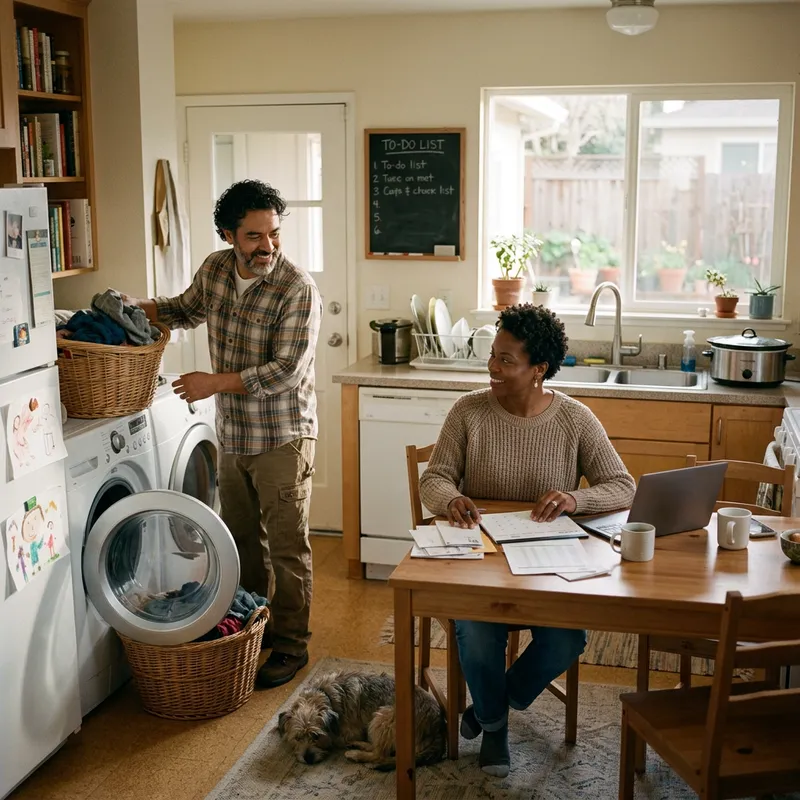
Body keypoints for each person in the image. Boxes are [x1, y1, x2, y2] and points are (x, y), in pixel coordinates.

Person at [419, 303, 635, 777]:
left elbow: (622, 485)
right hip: (479, 554)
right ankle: (495, 730)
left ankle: (487, 708)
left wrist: (575, 500)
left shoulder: (575, 418)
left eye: (506, 360)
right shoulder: (468, 411)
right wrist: (451, 497)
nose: (492, 367)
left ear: (539, 369)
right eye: (492, 356)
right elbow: (433, 478)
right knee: (476, 632)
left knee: (566, 638)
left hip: (549, 561)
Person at [124, 180, 322, 689]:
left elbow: (285, 373)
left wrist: (212, 384)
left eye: (274, 234)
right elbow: (183, 310)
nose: (268, 247)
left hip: (283, 435)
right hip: (234, 434)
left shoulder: (296, 288)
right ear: (228, 234)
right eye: (255, 236)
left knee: (286, 546)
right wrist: (131, 307)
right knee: (240, 542)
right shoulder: (215, 268)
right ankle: (253, 626)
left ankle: (292, 646)